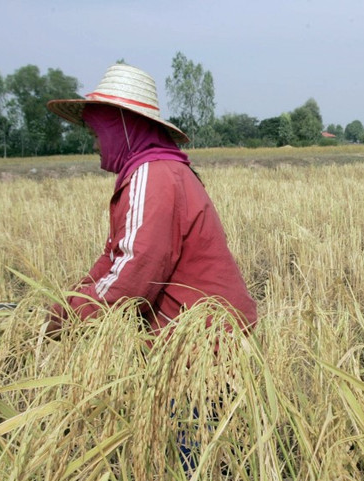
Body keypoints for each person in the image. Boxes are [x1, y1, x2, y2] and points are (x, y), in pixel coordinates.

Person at [44, 63, 257, 338]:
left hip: (204, 338)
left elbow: (133, 277)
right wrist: (69, 301)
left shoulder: (153, 176)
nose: (96, 146)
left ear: (121, 127)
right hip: (201, 328)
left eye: (97, 134)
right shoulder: (158, 169)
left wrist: (69, 318)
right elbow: (114, 256)